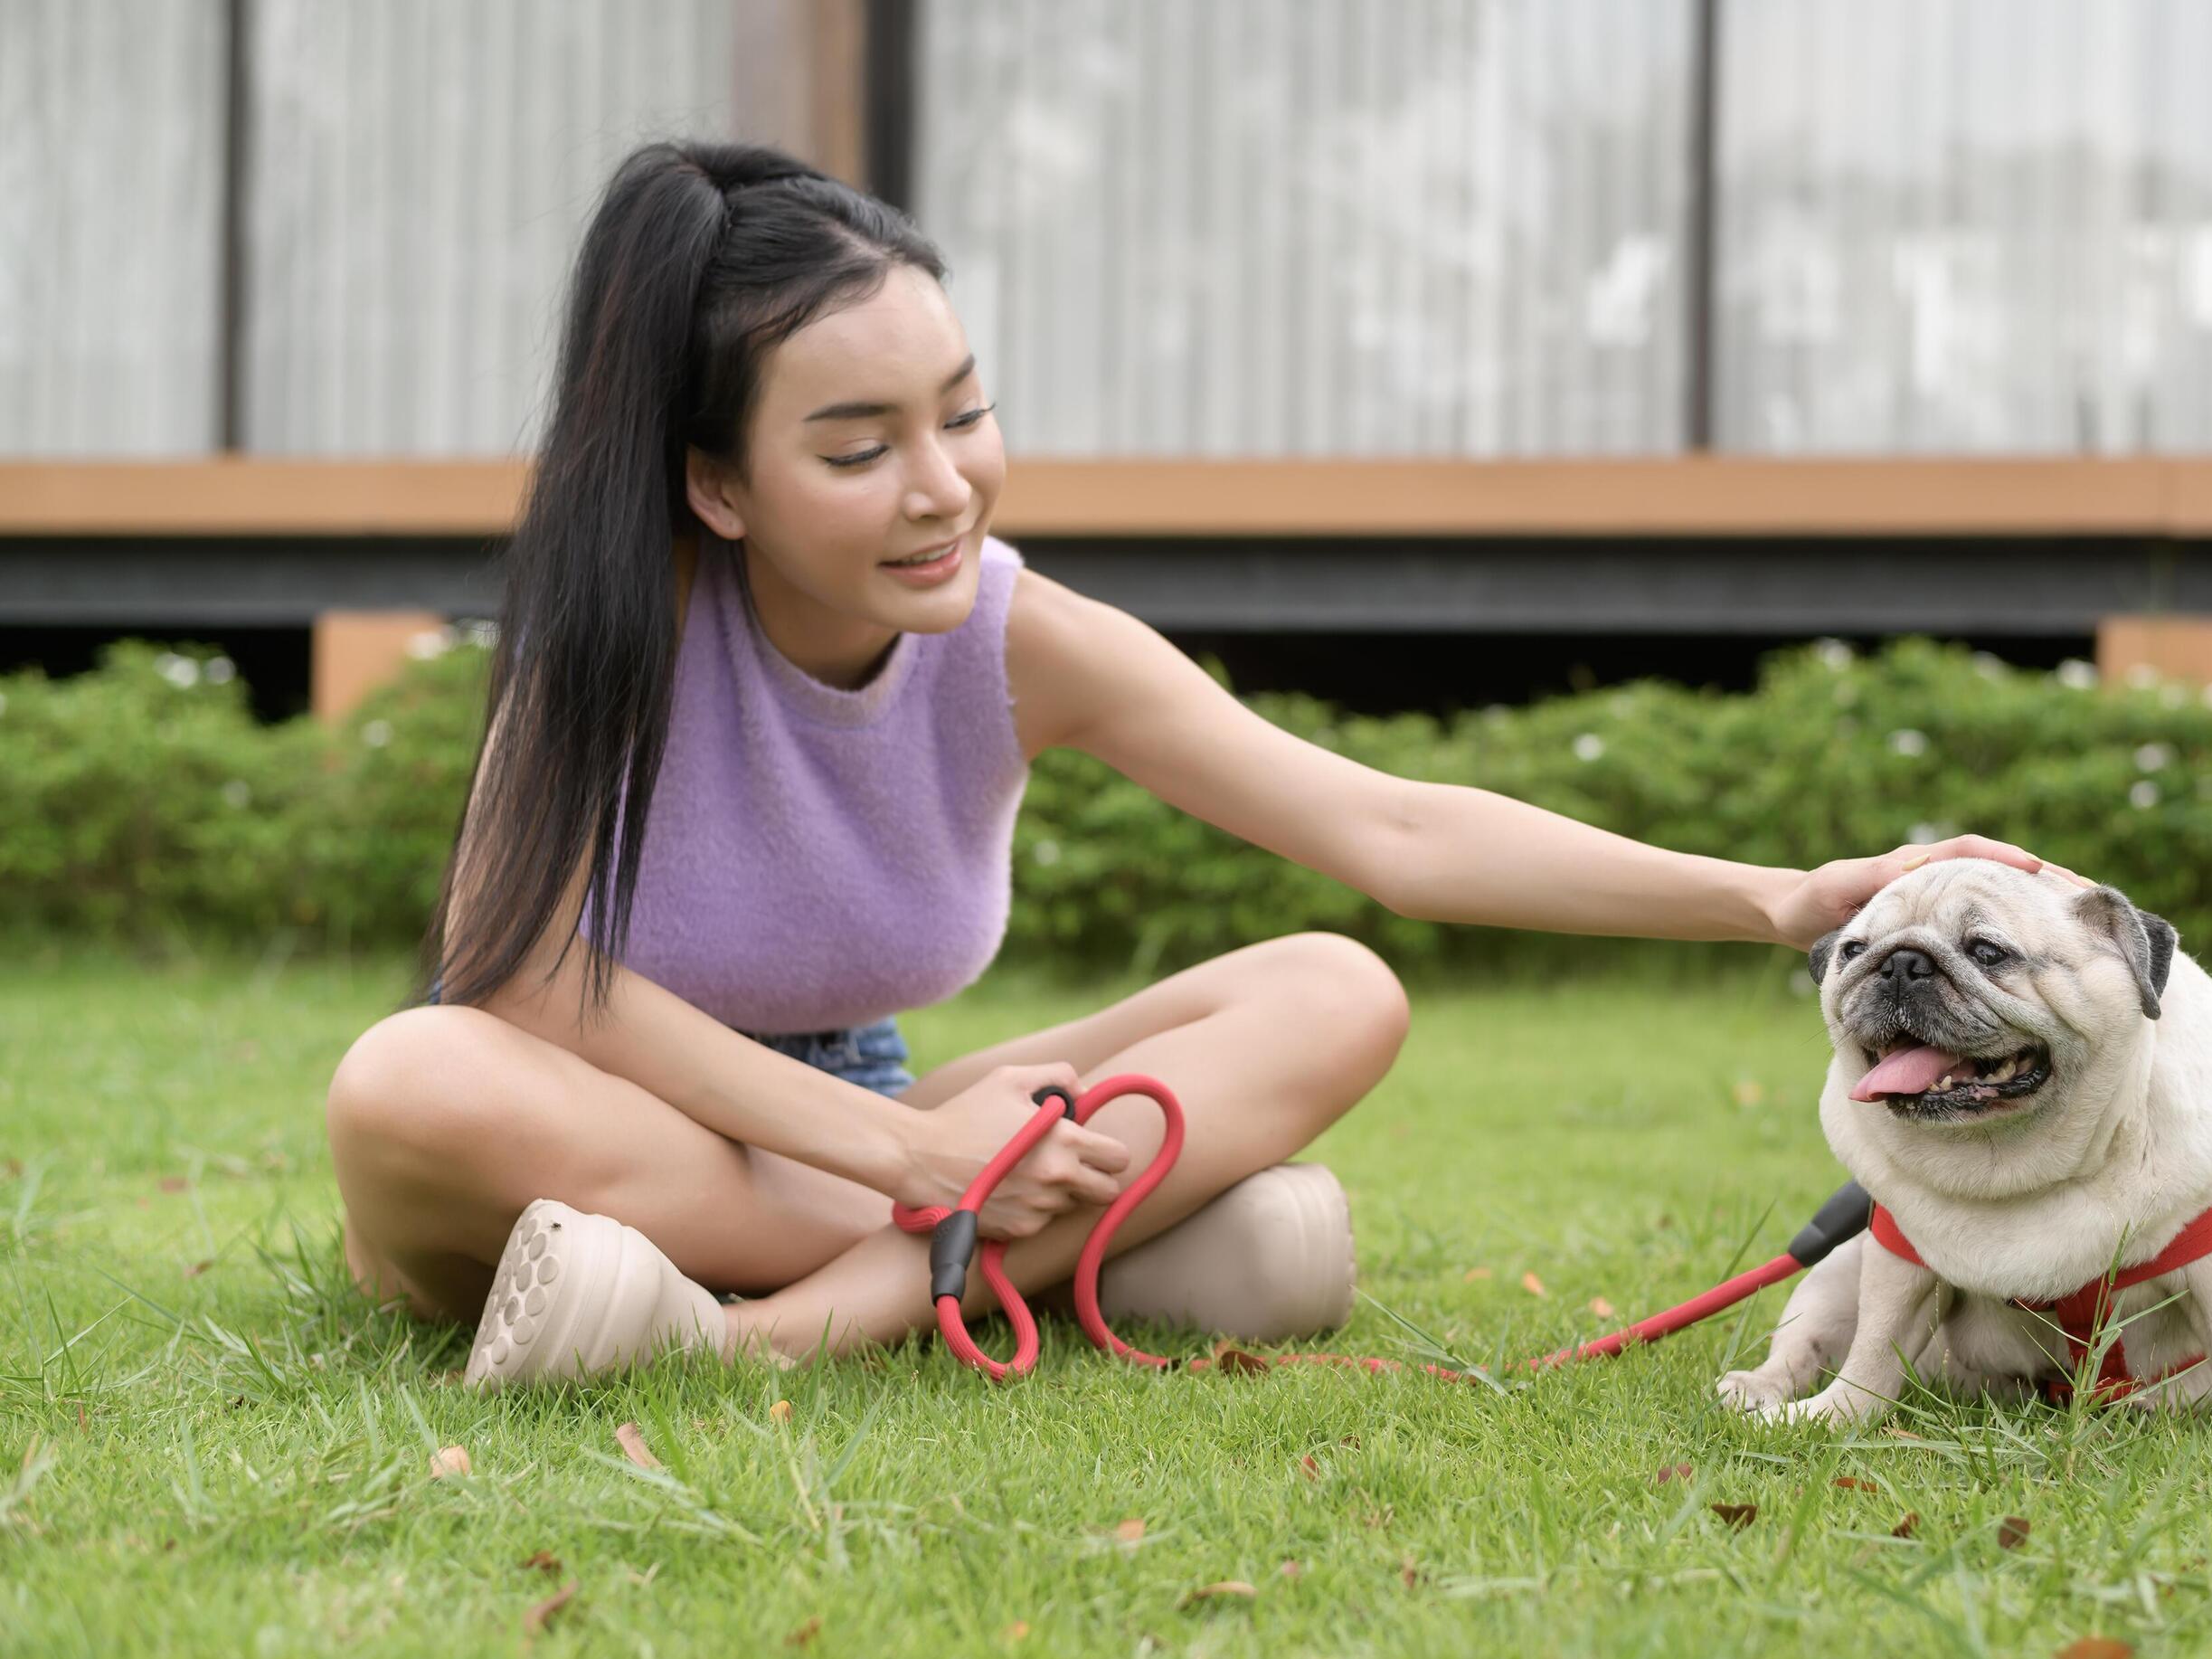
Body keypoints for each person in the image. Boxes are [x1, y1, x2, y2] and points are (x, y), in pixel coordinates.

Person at [323, 140, 2051, 1387]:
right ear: (717, 486)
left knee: (1332, 985)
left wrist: (1777, 902)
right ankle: (1069, 1258)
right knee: (414, 1083)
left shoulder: (1016, 637)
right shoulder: (620, 629)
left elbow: (1385, 829)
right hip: (644, 1130)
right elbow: (527, 976)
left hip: (871, 1126)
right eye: (858, 448)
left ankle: (766, 1333)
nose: (943, 486)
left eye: (963, 411)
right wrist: (912, 1171)